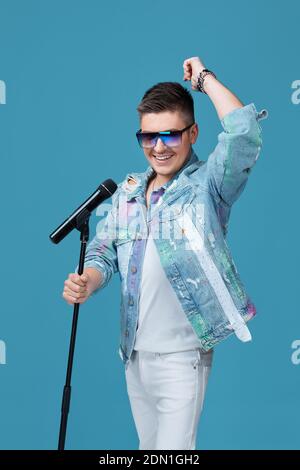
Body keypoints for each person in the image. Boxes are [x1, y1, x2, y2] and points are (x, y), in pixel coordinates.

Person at [62, 56, 268, 449]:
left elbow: (243, 134)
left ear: (193, 133)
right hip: (134, 354)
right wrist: (89, 280)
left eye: (170, 135)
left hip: (183, 356)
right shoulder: (128, 193)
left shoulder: (209, 185)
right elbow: (104, 251)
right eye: (148, 137)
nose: (158, 147)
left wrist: (205, 80)